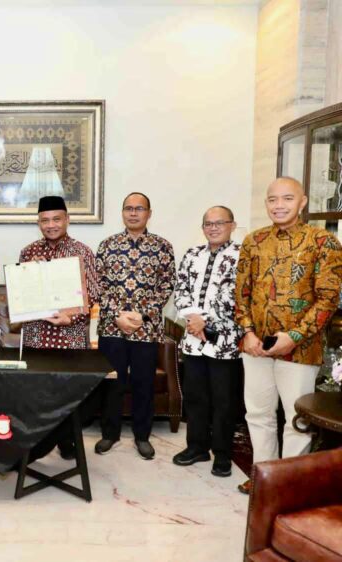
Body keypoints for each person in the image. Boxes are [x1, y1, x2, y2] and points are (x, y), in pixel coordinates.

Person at [235, 177, 342, 494]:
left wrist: (293, 336)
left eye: (286, 198)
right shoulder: (253, 241)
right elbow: (242, 293)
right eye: (272, 199)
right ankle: (262, 477)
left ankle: (288, 485)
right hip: (254, 347)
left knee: (297, 420)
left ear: (303, 201)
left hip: (299, 350)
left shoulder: (323, 243)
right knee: (258, 414)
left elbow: (328, 300)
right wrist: (248, 332)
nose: (278, 205)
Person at [94, 192, 175, 460]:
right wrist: (117, 314)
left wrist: (141, 314)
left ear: (149, 213)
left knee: (143, 383)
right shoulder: (107, 245)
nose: (133, 213)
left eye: (139, 208)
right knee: (112, 382)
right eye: (128, 208)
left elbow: (166, 286)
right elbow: (98, 285)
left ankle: (142, 436)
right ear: (122, 212)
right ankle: (109, 434)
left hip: (146, 327)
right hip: (111, 326)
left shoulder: (163, 247)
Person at [18, 195, 99, 459]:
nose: (51, 225)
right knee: (36, 395)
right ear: (38, 222)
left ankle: (67, 441)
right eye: (45, 220)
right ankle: (35, 442)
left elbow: (93, 294)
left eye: (56, 219)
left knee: (68, 395)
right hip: (36, 338)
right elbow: (22, 293)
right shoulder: (28, 252)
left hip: (70, 337)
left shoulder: (82, 251)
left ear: (67, 219)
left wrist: (71, 317)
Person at [172, 206, 242, 478]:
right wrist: (192, 319)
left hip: (225, 343)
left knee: (224, 400)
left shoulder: (242, 256)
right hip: (193, 339)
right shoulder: (192, 254)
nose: (213, 228)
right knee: (196, 396)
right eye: (208, 224)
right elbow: (181, 290)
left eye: (219, 223)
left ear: (232, 226)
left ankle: (222, 454)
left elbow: (236, 296)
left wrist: (206, 320)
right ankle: (197, 446)